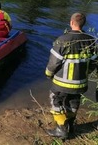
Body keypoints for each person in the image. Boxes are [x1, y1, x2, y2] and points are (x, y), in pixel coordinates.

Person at [45, 12, 97, 140]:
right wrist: (85, 73)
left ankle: (61, 129)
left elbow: (54, 63)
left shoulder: (62, 40)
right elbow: (94, 63)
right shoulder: (91, 41)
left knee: (55, 101)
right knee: (73, 102)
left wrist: (48, 74)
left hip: (62, 83)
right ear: (83, 24)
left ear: (71, 22)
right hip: (81, 83)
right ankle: (70, 127)